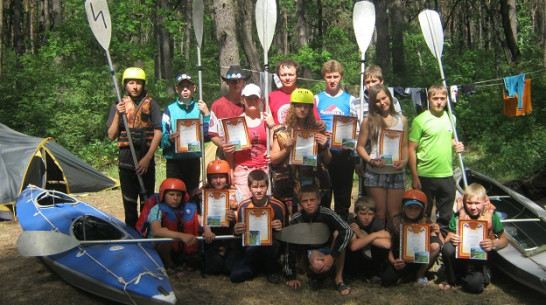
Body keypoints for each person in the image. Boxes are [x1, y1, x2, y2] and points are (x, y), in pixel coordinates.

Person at [107, 67, 162, 228]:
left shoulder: (152, 105)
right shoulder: (118, 105)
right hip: (126, 161)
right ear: (125, 85)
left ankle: (147, 233)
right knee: (129, 203)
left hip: (145, 158)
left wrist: (147, 158)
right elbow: (111, 135)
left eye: (138, 83)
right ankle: (131, 232)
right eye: (131, 83)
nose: (135, 87)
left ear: (143, 85)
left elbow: (158, 133)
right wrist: (118, 114)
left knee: (147, 202)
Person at [408, 84, 465, 233]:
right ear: (429, 99)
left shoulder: (451, 117)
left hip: (446, 174)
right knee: (422, 214)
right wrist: (414, 176)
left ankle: (442, 245)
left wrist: (457, 145)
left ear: (446, 99)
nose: (439, 102)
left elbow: (450, 137)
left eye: (442, 98)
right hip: (425, 175)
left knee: (445, 216)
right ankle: (423, 244)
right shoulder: (420, 120)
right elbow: (411, 149)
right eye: (435, 98)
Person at [270, 88, 332, 218]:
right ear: (293, 108)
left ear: (310, 108)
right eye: (298, 106)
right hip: (292, 183)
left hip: (316, 181)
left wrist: (324, 146)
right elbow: (273, 159)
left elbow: (328, 160)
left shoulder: (317, 130)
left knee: (317, 217)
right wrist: (286, 149)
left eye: (306, 106)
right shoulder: (283, 131)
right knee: (295, 217)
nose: (302, 109)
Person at [284, 185, 353, 295]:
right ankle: (313, 271)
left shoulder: (327, 213)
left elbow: (348, 230)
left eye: (312, 200)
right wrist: (291, 276)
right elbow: (289, 248)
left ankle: (339, 279)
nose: (309, 204)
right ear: (300, 204)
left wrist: (332, 256)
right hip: (314, 251)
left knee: (338, 234)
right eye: (305, 201)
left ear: (319, 200)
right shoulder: (296, 219)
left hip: (331, 247)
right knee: (318, 266)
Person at [439, 183, 508, 292]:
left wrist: (493, 243)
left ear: (484, 202)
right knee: (448, 248)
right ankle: (451, 278)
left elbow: (504, 240)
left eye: (477, 203)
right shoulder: (458, 215)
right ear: (464, 201)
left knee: (474, 286)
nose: (473, 207)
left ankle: (474, 276)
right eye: (469, 203)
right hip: (461, 256)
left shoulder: (492, 216)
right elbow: (446, 240)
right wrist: (452, 238)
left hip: (478, 260)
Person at [356, 84, 408, 223]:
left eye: (384, 98)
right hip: (375, 173)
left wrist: (404, 161)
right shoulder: (369, 120)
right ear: (373, 103)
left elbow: (404, 146)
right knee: (379, 214)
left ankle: (392, 244)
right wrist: (370, 161)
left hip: (396, 173)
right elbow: (360, 147)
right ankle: (378, 244)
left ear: (389, 97)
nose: (382, 103)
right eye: (377, 101)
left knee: (394, 214)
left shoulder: (402, 120)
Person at [315, 59, 357, 220]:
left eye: (335, 77)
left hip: (343, 155)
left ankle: (342, 233)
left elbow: (356, 131)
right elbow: (312, 125)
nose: (332, 81)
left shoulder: (351, 100)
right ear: (324, 78)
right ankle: (324, 233)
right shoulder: (317, 99)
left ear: (341, 77)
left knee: (342, 199)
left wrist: (348, 144)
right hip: (323, 154)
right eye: (328, 77)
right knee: (323, 197)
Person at [221, 83, 275, 202]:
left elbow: (272, 145)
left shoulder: (266, 119)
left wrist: (272, 127)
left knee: (264, 204)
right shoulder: (235, 123)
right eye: (248, 98)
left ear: (260, 100)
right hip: (243, 170)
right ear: (242, 99)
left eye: (255, 98)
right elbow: (231, 153)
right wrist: (231, 172)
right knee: (244, 204)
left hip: (263, 169)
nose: (252, 101)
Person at [231, 170, 285, 283]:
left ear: (267, 187)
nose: (259, 190)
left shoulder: (278, 205)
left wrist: (279, 228)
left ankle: (271, 269)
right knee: (236, 276)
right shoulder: (243, 206)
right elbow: (241, 236)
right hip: (252, 246)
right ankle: (257, 267)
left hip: (270, 247)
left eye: (262, 186)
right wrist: (236, 230)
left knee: (273, 244)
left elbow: (283, 236)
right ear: (249, 187)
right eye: (255, 187)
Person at [161, 73, 210, 194]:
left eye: (188, 86)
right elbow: (162, 138)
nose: (185, 89)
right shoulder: (170, 110)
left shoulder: (200, 108)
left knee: (192, 194)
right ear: (177, 89)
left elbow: (208, 135)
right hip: (174, 160)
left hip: (193, 159)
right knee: (174, 194)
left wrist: (207, 115)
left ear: (194, 88)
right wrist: (169, 138)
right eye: (182, 87)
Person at [382, 189, 442, 286]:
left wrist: (438, 233)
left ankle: (420, 273)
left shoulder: (426, 221)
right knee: (387, 280)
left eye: (416, 208)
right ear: (403, 207)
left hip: (420, 259)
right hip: (401, 260)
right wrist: (394, 262)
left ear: (422, 209)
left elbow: (440, 245)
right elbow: (388, 245)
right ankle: (409, 276)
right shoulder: (395, 221)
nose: (412, 211)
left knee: (435, 246)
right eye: (409, 207)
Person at [194, 159, 238, 275]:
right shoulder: (201, 194)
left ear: (227, 177)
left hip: (228, 232)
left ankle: (228, 253)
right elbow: (196, 214)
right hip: (211, 233)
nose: (218, 181)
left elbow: (240, 213)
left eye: (221, 177)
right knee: (213, 268)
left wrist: (233, 216)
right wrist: (207, 229)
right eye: (214, 177)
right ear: (209, 178)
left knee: (229, 269)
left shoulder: (234, 192)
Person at [145, 178, 198, 275]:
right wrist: (182, 235)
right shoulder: (156, 209)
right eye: (171, 194)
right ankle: (168, 265)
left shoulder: (185, 209)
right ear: (163, 195)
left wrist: (208, 230)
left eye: (179, 195)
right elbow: (156, 231)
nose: (175, 198)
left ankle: (183, 260)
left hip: (175, 249)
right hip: (153, 247)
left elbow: (200, 220)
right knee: (165, 232)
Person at [344, 196, 391, 281]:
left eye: (370, 214)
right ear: (356, 213)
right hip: (355, 261)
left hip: (371, 260)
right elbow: (354, 246)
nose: (367, 218)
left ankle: (374, 273)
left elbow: (387, 244)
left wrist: (361, 235)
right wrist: (374, 235)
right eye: (362, 214)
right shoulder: (352, 223)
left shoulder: (376, 223)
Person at [209, 65, 249, 158]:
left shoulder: (250, 104)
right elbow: (212, 134)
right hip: (224, 153)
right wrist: (223, 146)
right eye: (233, 82)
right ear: (227, 83)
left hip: (247, 154)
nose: (236, 84)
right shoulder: (217, 105)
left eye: (239, 81)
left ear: (244, 82)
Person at [268, 59, 321, 125]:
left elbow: (315, 121)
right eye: (283, 75)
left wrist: (322, 125)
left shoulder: (306, 96)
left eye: (291, 75)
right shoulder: (271, 97)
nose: (287, 78)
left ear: (297, 76)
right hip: (279, 134)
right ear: (279, 76)